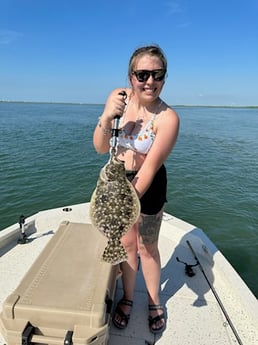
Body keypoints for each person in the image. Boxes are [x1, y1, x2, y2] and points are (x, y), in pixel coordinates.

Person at [93, 45, 179, 334]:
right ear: (131, 76)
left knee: (147, 247)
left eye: (157, 74)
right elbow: (100, 147)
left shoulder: (167, 119)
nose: (150, 81)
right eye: (142, 74)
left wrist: (126, 205)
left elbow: (150, 168)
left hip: (148, 185)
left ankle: (154, 301)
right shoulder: (118, 98)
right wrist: (106, 118)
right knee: (127, 245)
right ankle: (129, 297)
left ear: (164, 78)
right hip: (115, 181)